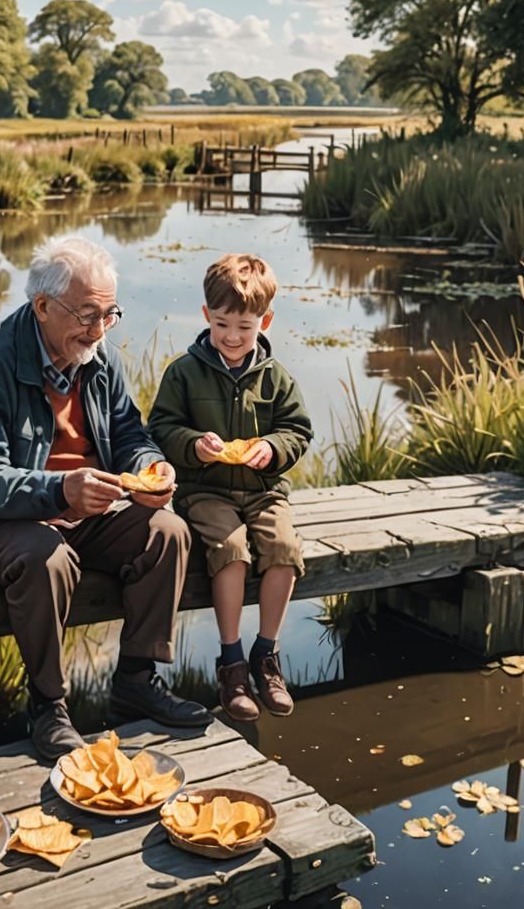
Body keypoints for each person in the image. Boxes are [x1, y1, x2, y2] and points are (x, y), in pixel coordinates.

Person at [0, 236, 210, 759]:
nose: (100, 328)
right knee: (45, 558)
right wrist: (59, 489)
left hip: (84, 506)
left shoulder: (97, 356)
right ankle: (48, 707)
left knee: (168, 532)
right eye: (87, 313)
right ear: (42, 307)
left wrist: (148, 466)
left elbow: (129, 432)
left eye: (110, 314)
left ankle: (135, 679)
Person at [148, 253, 312, 722]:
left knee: (283, 546)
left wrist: (273, 448)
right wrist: (194, 445)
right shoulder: (184, 372)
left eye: (245, 326)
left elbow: (297, 431)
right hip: (206, 491)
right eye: (222, 324)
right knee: (231, 547)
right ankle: (232, 661)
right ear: (206, 317)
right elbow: (161, 427)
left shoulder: (276, 377)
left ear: (266, 320)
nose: (233, 336)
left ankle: (266, 655)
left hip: (263, 490)